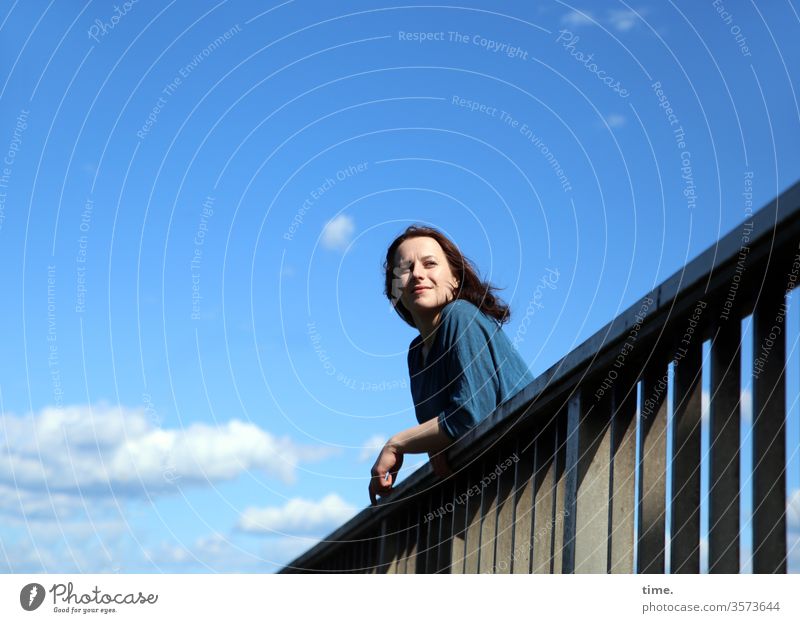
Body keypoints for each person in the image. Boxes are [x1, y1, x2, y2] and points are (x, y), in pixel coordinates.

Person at [368, 225, 534, 506]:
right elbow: (449, 428)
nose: (417, 274)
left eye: (429, 263)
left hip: (539, 466)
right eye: (405, 269)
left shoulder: (461, 316)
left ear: (455, 279)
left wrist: (397, 443)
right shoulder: (416, 353)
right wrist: (435, 443)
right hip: (499, 490)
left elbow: (469, 416)